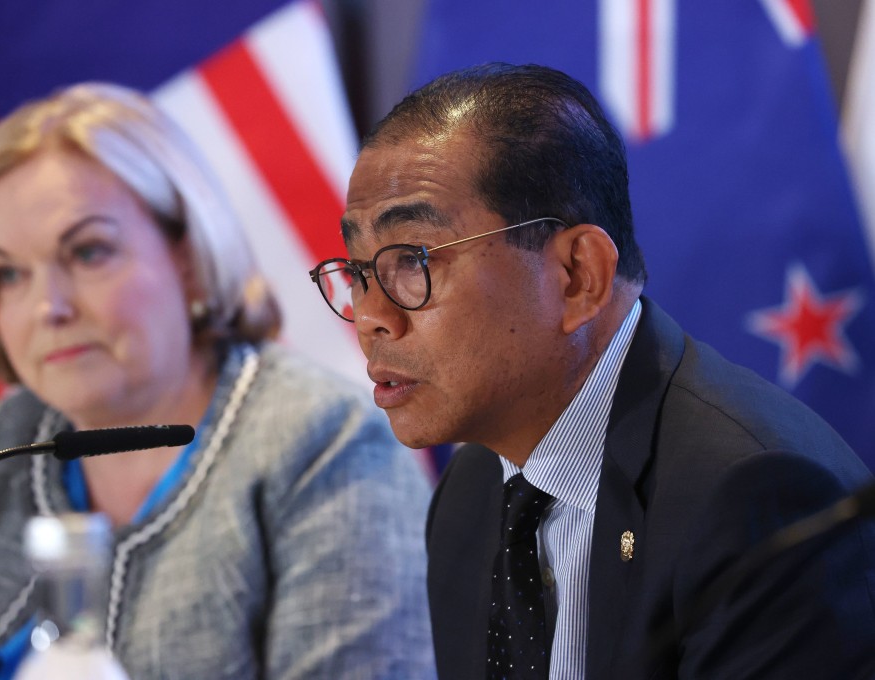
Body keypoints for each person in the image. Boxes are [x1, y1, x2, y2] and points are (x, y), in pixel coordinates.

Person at [308, 63, 875, 679]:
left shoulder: (756, 496)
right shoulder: (470, 490)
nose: (369, 316)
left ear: (579, 277)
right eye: (359, 270)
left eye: (411, 261)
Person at [0, 82, 436, 680]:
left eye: (88, 252)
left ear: (186, 253)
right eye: (7, 274)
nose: (47, 306)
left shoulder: (322, 442)